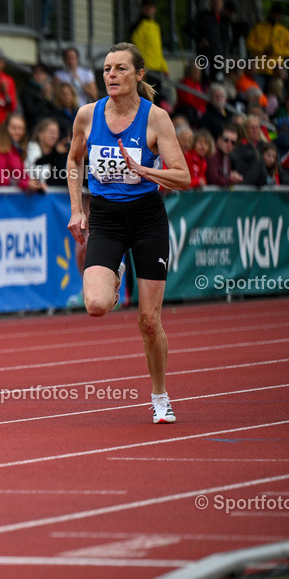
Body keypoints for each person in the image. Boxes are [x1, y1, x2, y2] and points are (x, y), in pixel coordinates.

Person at [66, 42, 190, 425]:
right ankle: (115, 275)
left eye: (120, 69)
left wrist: (145, 170)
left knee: (149, 321)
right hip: (105, 217)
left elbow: (183, 177)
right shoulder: (87, 115)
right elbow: (73, 160)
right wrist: (76, 208)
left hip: (147, 218)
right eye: (106, 69)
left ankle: (159, 394)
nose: (111, 76)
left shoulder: (157, 119)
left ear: (139, 75)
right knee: (96, 305)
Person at [0, 113, 46, 191]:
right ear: (6, 129)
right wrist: (24, 184)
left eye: (21, 128)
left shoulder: (16, 150)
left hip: (11, 198)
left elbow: (22, 175)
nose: (18, 132)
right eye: (14, 128)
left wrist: (36, 184)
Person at [129, 0, 168, 99]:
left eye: (151, 7)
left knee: (157, 98)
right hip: (147, 68)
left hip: (157, 67)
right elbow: (136, 48)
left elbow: (158, 49)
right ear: (142, 9)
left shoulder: (156, 26)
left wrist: (164, 67)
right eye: (147, 8)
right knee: (147, 97)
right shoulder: (139, 25)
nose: (149, 10)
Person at [206, 122, 240, 187]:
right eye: (226, 140)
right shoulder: (213, 153)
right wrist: (230, 180)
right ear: (219, 139)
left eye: (233, 142)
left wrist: (232, 177)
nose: (229, 144)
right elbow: (213, 180)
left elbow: (225, 176)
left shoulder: (226, 155)